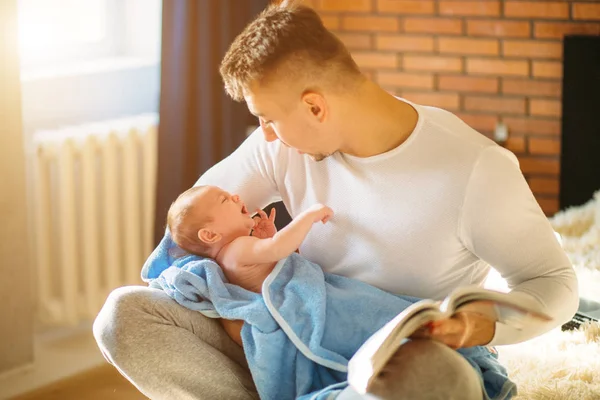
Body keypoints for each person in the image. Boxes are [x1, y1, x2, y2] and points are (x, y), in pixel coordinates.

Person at [93, 1, 579, 399]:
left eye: (267, 117)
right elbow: (192, 227)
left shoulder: (476, 169)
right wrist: (233, 302)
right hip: (284, 342)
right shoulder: (280, 147)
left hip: (390, 365)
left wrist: (473, 326)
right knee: (125, 315)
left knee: (439, 378)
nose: (263, 133)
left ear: (314, 106)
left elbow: (553, 284)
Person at [166, 185, 332, 296]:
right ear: (210, 235)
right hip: (293, 298)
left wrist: (268, 237)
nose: (236, 197)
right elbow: (278, 248)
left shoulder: (232, 253)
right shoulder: (236, 249)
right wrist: (309, 216)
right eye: (225, 199)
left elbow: (278, 258)